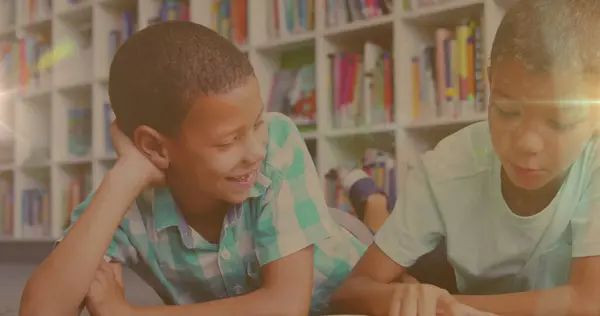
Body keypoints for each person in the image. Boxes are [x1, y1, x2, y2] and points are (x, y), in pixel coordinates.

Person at [19, 21, 365, 316]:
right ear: (155, 147)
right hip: (296, 225)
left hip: (361, 274)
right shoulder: (126, 202)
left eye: (256, 122)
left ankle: (369, 198)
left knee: (367, 226)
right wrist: (126, 176)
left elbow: (284, 306)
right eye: (227, 142)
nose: (256, 151)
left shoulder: (277, 140)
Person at [330, 0, 600, 315]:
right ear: (490, 82)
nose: (527, 143)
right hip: (443, 257)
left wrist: (443, 305)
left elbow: (589, 302)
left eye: (560, 121)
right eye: (507, 111)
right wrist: (406, 299)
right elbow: (349, 293)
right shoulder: (445, 167)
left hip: (451, 287)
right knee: (394, 258)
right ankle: (373, 202)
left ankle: (374, 203)